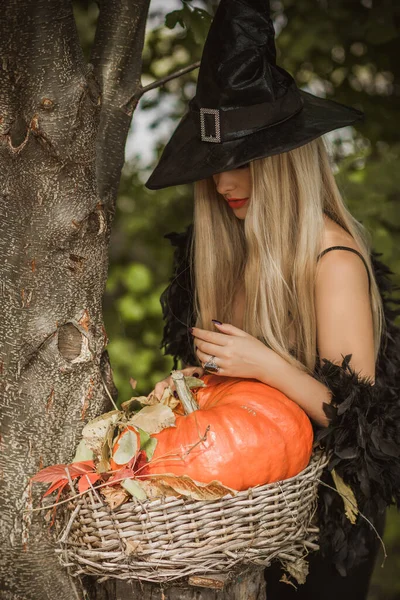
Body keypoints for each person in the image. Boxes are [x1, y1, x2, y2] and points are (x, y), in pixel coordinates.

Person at [145, 1, 400, 598]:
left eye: (243, 163)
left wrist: (265, 365)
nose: (222, 183)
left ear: (285, 163)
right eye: (214, 165)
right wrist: (197, 383)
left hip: (323, 523)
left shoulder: (330, 262)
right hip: (246, 509)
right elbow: (239, 398)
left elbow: (365, 429)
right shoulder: (224, 250)